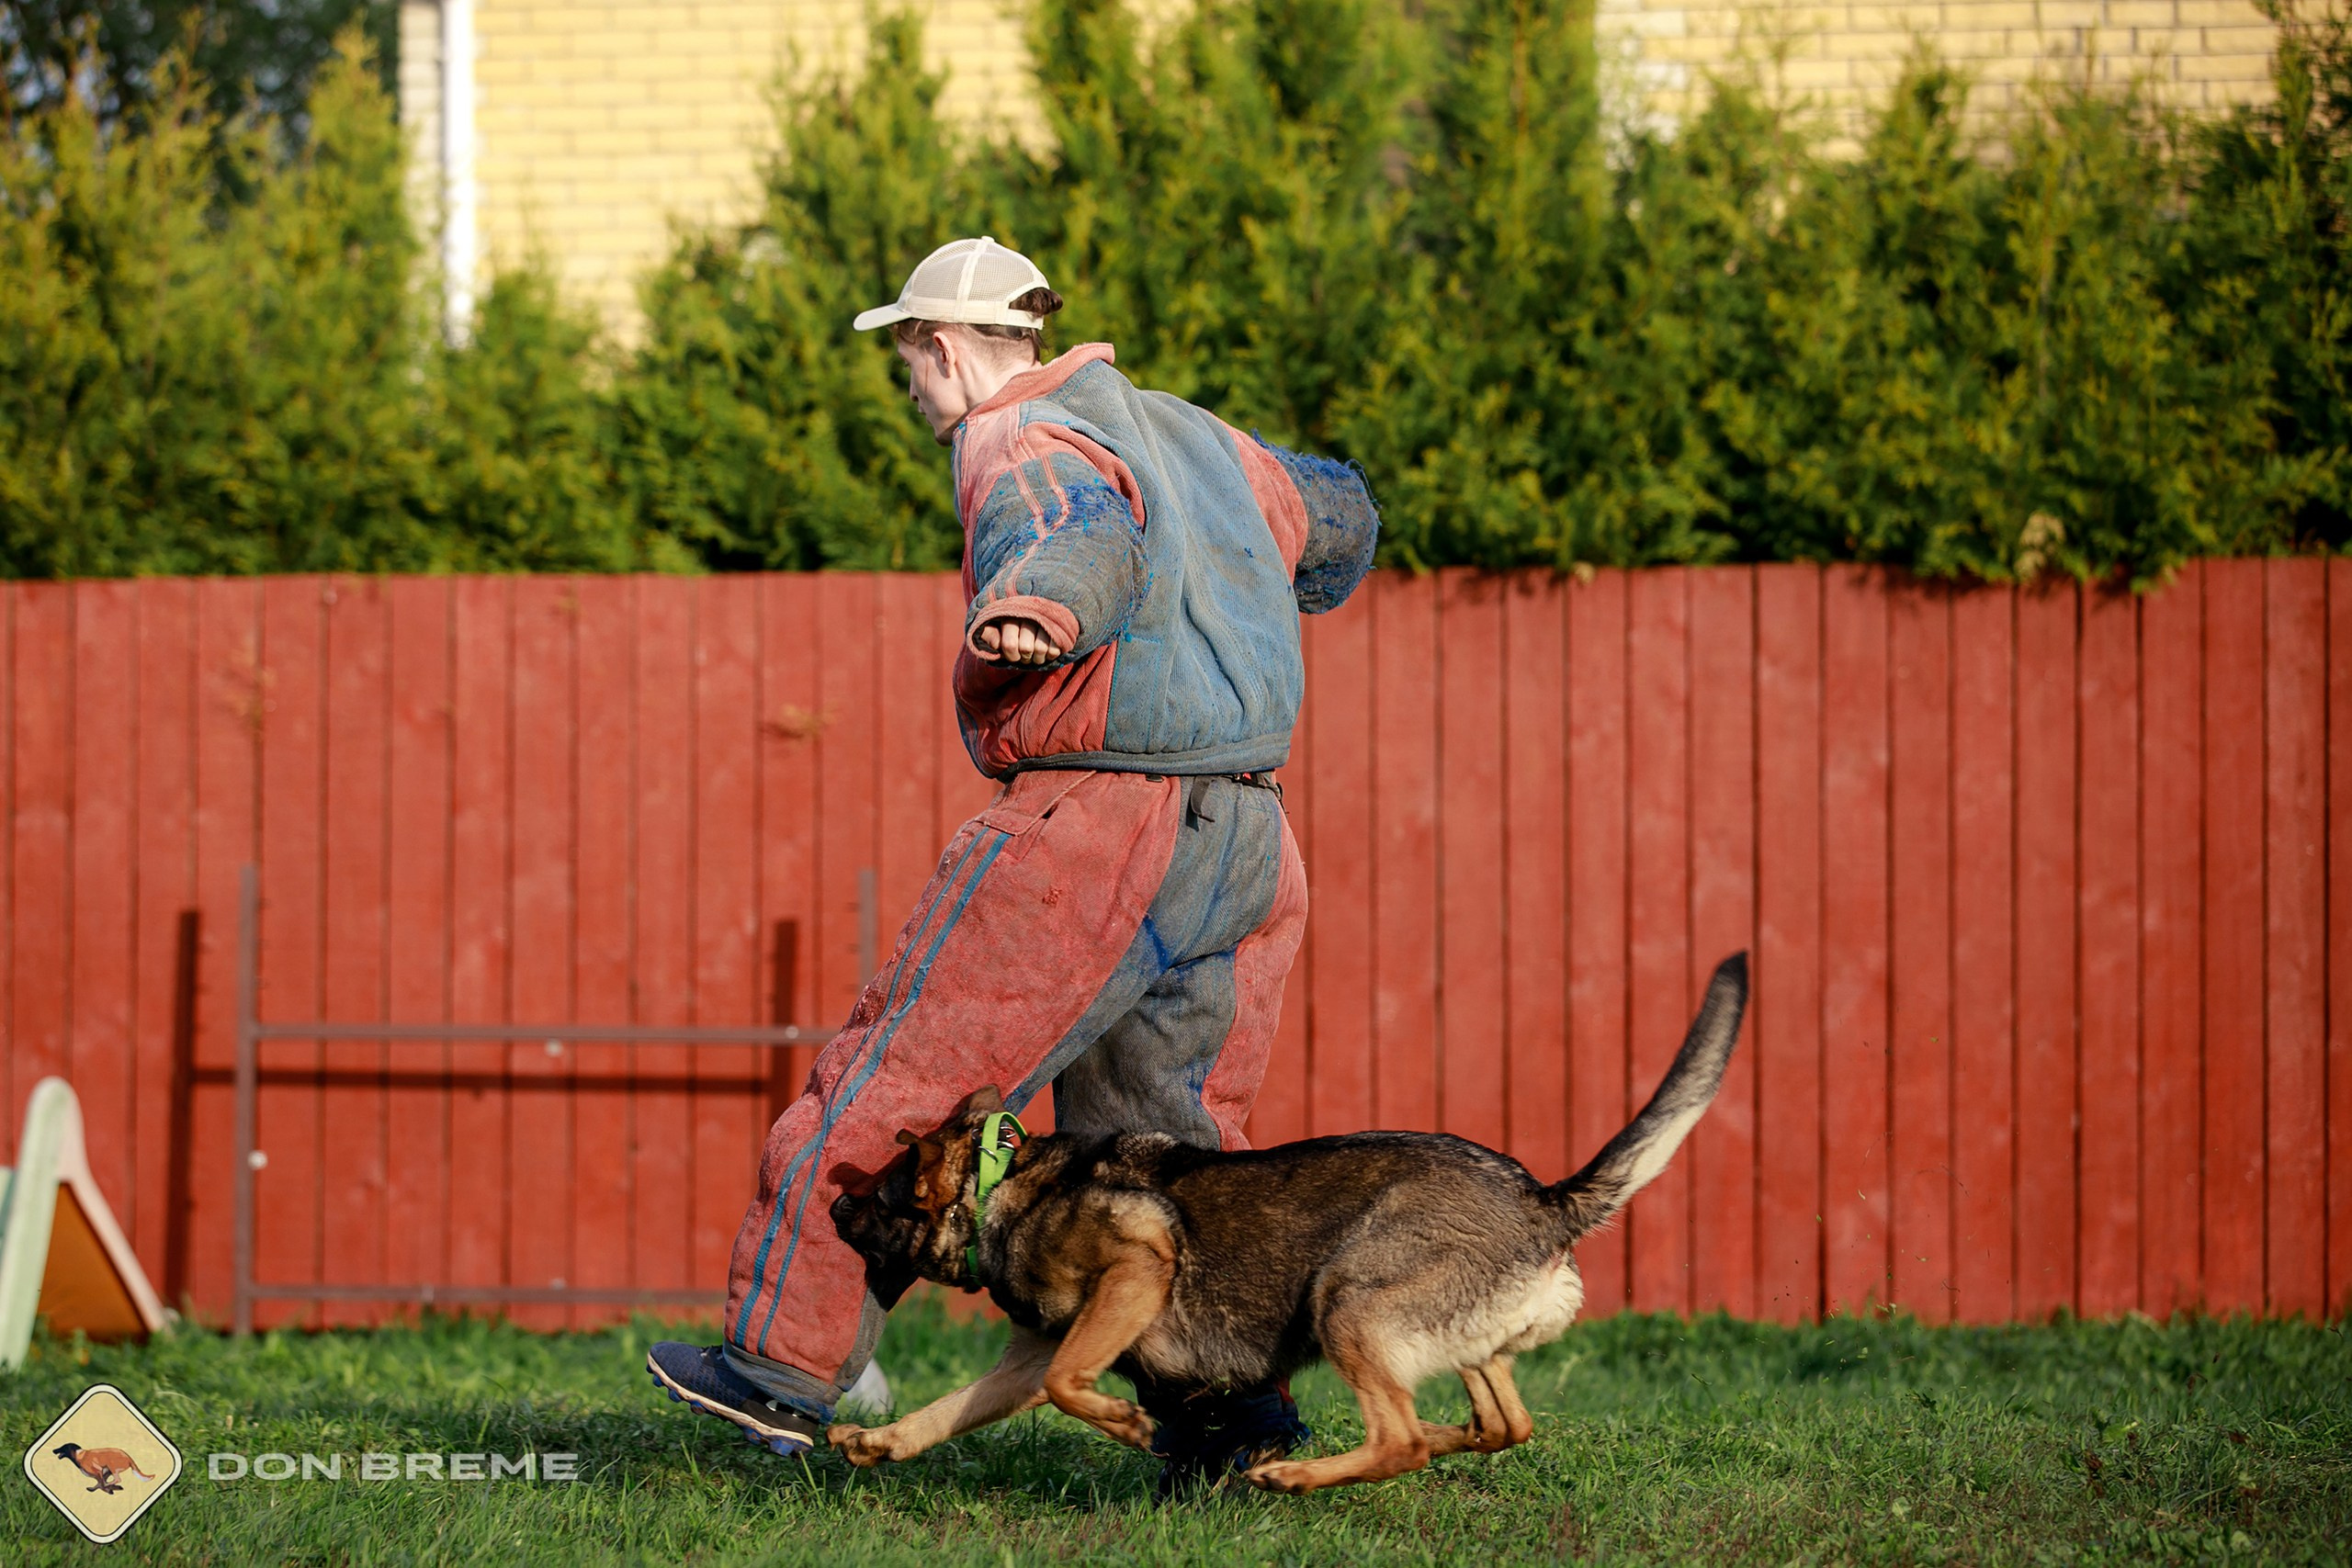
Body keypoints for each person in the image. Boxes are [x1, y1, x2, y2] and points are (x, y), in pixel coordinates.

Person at [648, 236, 1379, 1492]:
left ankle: (779, 1370)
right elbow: (1342, 517)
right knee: (1172, 1153)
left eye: (910, 366)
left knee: (896, 1084)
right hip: (1249, 836)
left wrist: (1042, 607)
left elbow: (1072, 538)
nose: (917, 394)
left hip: (1093, 829)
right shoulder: (1205, 438)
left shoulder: (1017, 440)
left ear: (944, 346)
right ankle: (1227, 1422)